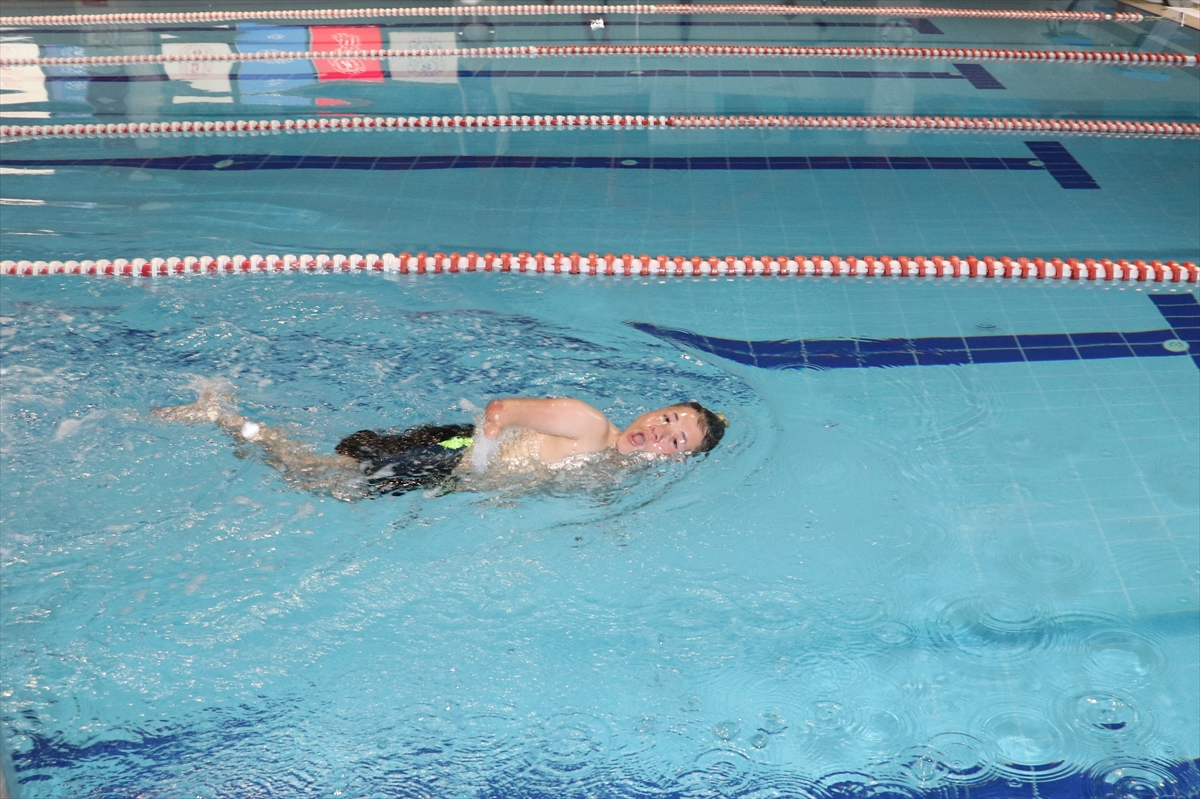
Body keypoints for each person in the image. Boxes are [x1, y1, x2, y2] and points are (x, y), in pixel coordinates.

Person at [153, 380, 725, 498]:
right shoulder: (588, 424)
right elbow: (502, 410)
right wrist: (482, 457)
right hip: (450, 458)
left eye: (676, 441)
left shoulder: (613, 471)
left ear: (674, 461)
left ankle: (238, 421)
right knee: (320, 481)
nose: (660, 433)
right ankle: (224, 416)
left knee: (327, 471)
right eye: (668, 418)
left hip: (454, 464)